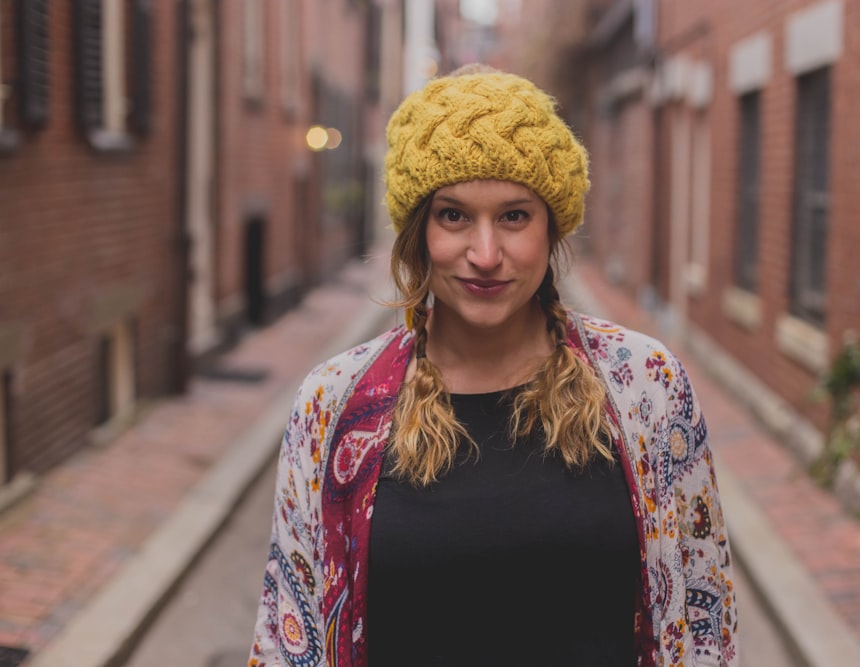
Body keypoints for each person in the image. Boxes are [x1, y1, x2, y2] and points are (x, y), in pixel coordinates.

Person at [248, 66, 737, 667]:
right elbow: (287, 633)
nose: (485, 256)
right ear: (419, 230)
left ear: (551, 226)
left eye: (513, 216)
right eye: (454, 215)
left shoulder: (647, 388)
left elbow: (705, 622)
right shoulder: (333, 405)